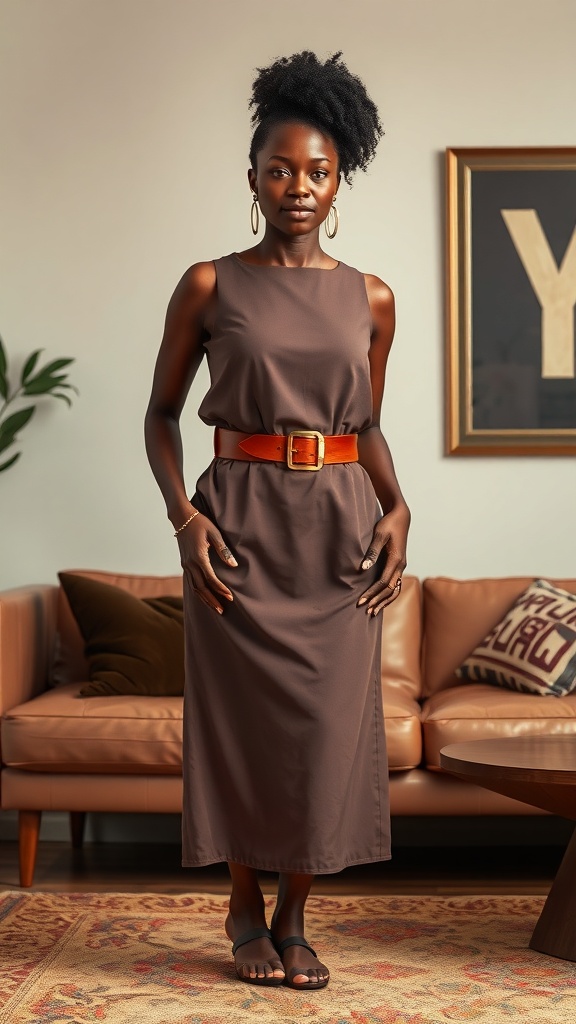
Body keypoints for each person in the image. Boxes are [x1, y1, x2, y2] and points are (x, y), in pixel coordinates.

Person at [144, 50, 410, 991]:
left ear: (341, 181)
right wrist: (185, 519)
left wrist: (401, 506)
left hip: (340, 534)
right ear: (253, 177)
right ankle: (244, 908)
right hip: (239, 530)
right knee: (244, 729)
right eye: (281, 169)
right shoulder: (210, 284)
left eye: (319, 171)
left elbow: (364, 424)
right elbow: (160, 415)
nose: (300, 186)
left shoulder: (371, 297)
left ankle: (297, 917)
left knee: (325, 734)